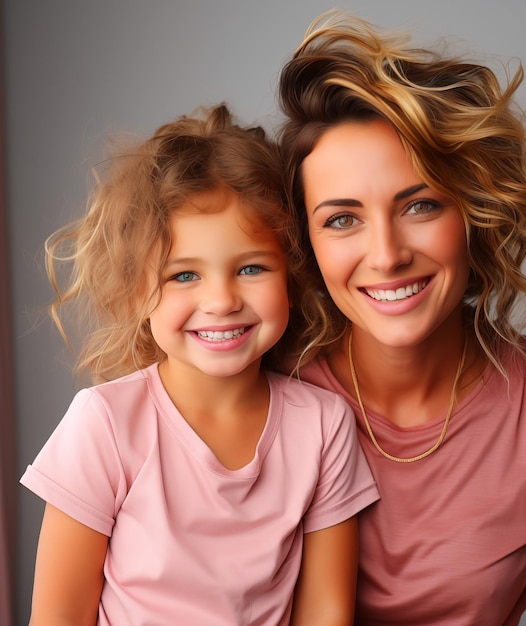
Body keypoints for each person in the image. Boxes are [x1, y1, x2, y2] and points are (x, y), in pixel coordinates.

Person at [277, 10, 526, 626]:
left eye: (421, 205)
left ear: (474, 215)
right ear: (306, 243)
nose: (386, 256)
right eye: (341, 218)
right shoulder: (265, 390)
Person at [20, 103, 379, 626]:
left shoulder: (324, 426)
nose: (221, 300)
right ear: (136, 289)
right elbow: (59, 615)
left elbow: (326, 611)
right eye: (184, 276)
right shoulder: (105, 423)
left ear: (293, 278)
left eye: (252, 267)